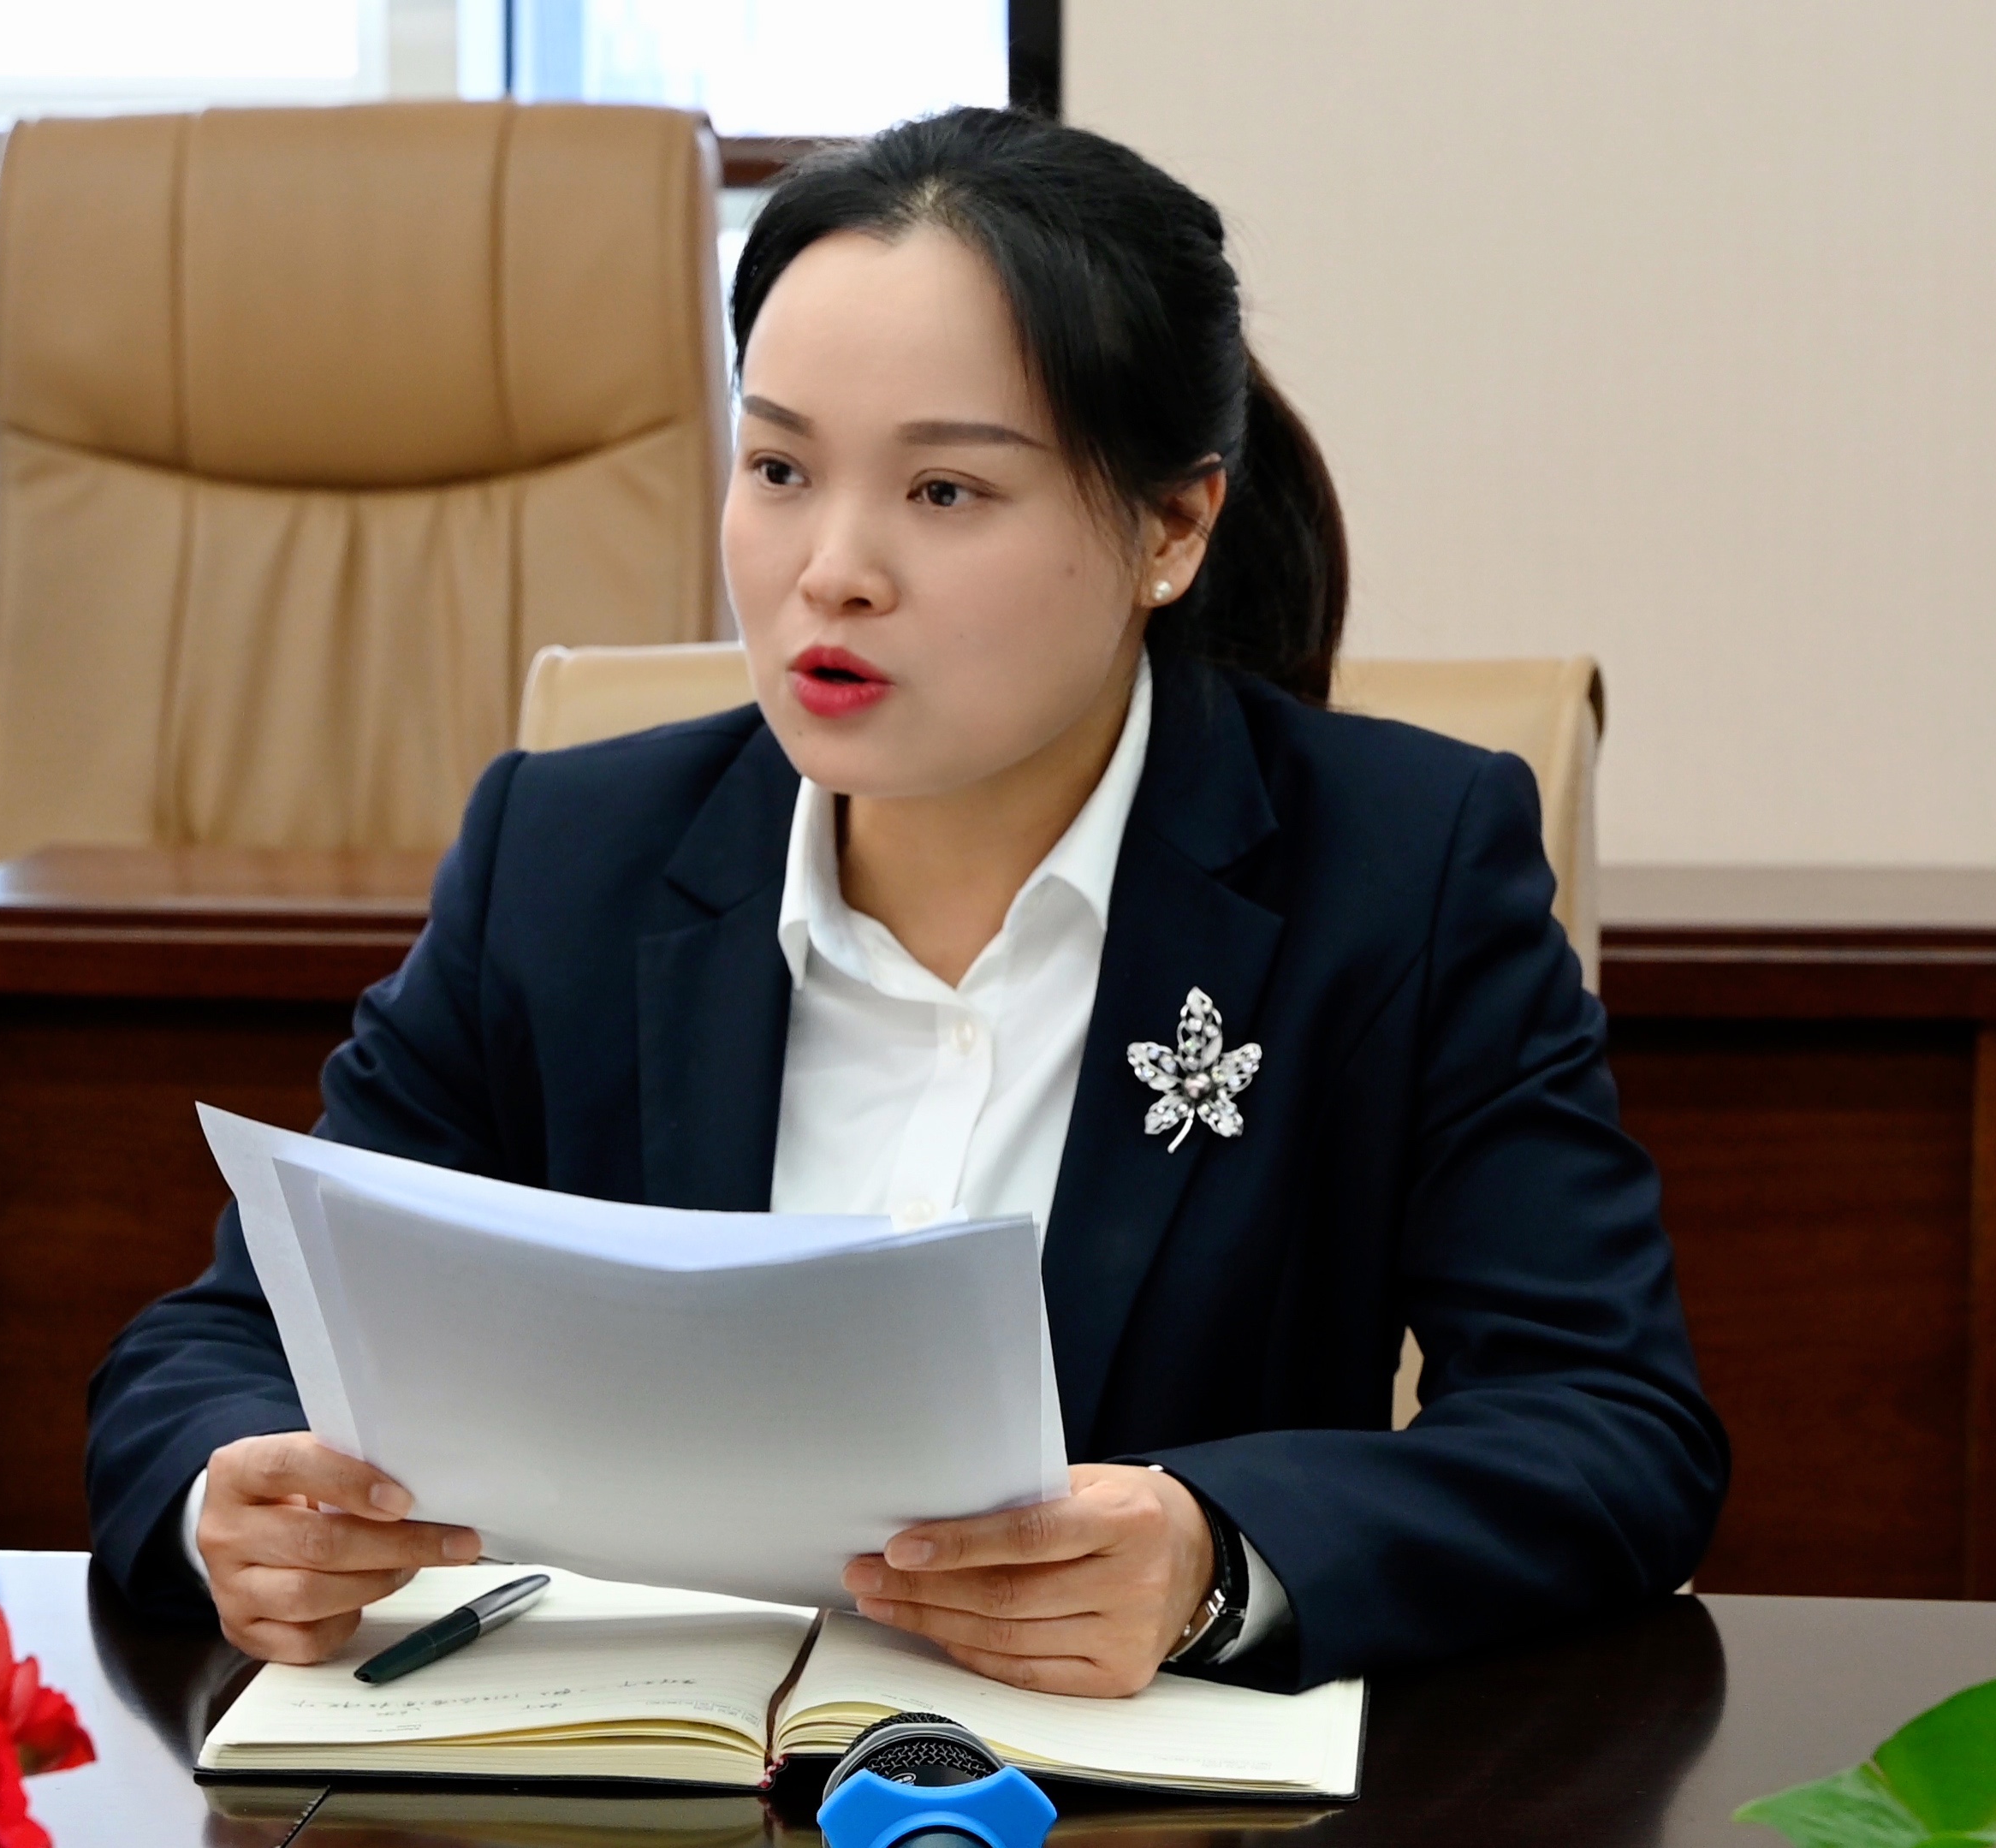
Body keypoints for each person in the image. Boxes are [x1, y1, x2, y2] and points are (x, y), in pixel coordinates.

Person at [86, 107, 1727, 1698]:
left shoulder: (1395, 868)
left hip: (1126, 1805)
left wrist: (1214, 1560)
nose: (833, 568)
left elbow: (1610, 1429)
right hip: (626, 1784)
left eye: (944, 491)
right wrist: (235, 1499)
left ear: (1172, 525)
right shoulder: (568, 857)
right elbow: (213, 1352)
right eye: (779, 467)